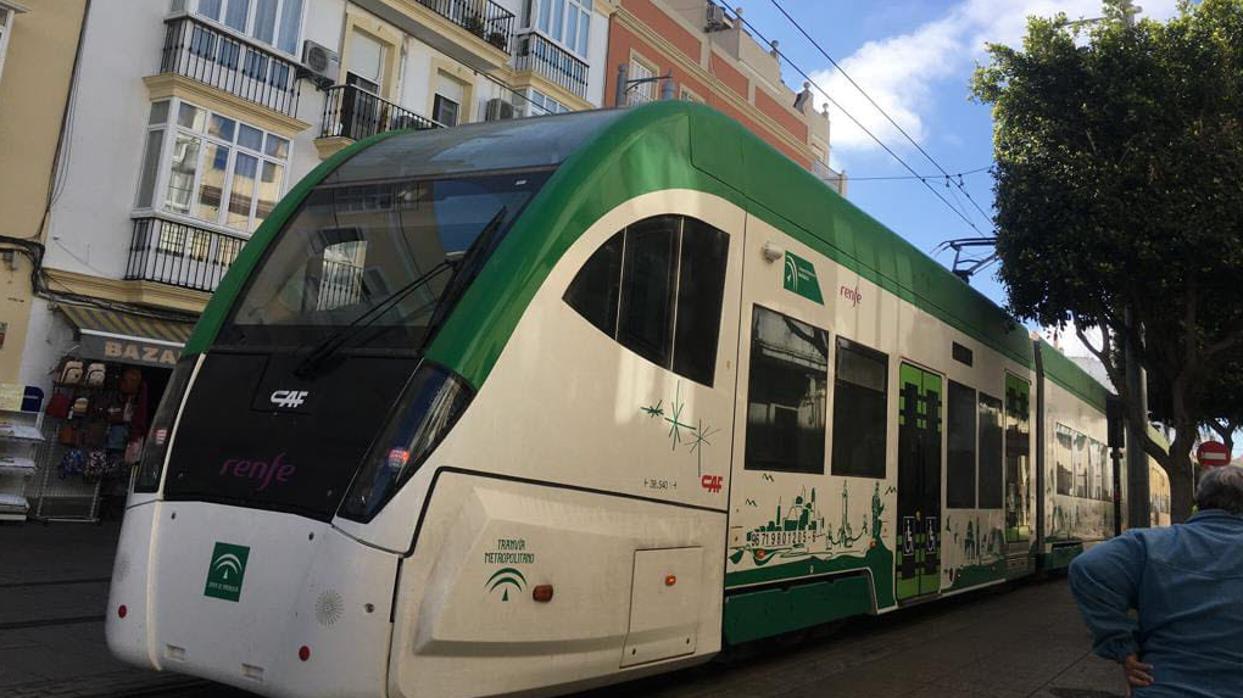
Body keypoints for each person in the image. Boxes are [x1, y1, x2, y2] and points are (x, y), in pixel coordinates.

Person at [1068, 466, 1243, 697]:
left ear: (1199, 500)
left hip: (1163, 686)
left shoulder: (1148, 544)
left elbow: (1086, 568)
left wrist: (1122, 646)